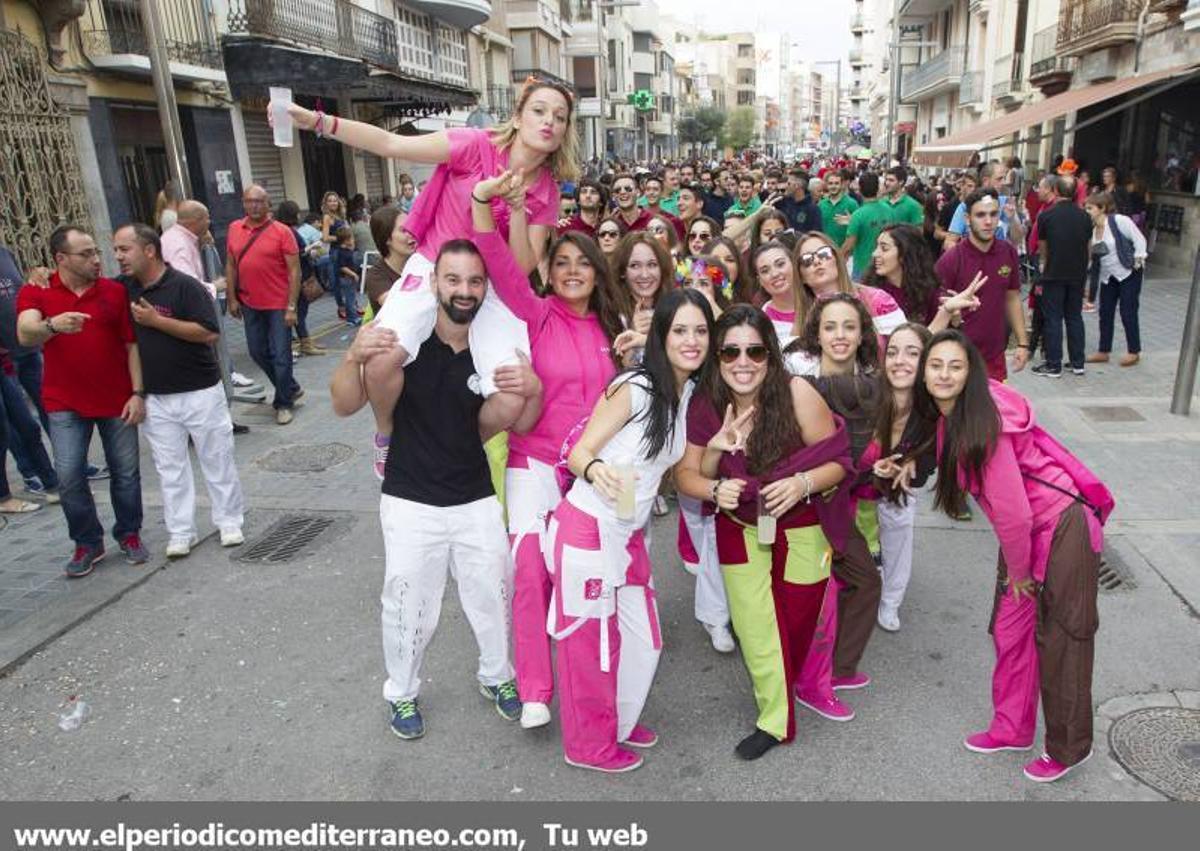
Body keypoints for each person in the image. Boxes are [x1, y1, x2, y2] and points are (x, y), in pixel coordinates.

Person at [283, 77, 574, 476]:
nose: (549, 122)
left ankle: (460, 447)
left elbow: (522, 266)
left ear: (565, 131)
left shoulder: (546, 191)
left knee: (511, 396)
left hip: (489, 286)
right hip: (431, 265)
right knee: (381, 359)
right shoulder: (473, 144)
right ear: (519, 116)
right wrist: (317, 121)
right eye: (539, 111)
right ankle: (387, 435)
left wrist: (518, 209)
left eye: (559, 117)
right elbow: (390, 144)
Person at [328, 239, 543, 740]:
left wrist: (533, 390)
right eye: (453, 279)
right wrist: (351, 356)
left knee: (494, 593)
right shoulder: (404, 346)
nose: (464, 290)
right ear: (433, 283)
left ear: (485, 288)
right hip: (410, 496)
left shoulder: (490, 355)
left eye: (474, 281)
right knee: (408, 602)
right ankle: (401, 691)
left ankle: (498, 675)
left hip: (474, 495)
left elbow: (521, 423)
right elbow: (342, 404)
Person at [888, 329, 1113, 784]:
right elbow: (937, 446)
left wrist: (1020, 571)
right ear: (924, 373)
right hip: (1026, 536)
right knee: (1011, 631)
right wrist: (911, 460)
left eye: (955, 366)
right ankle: (1012, 728)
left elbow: (1014, 513)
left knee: (1063, 641)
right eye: (936, 365)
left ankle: (1069, 749)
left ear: (970, 373)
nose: (944, 374)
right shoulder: (951, 414)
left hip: (1060, 527)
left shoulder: (983, 424)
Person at [470, 170, 625, 731]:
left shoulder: (614, 326)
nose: (573, 271)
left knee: (595, 575)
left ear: (598, 270)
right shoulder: (533, 313)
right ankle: (535, 688)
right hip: (533, 465)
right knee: (531, 571)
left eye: (583, 262)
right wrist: (485, 202)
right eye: (562, 263)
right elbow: (497, 259)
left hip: (593, 472)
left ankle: (600, 675)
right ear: (549, 271)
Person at [676, 305, 851, 760]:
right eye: (730, 351)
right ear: (717, 357)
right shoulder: (706, 403)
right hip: (737, 527)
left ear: (770, 355)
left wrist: (802, 483)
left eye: (754, 351)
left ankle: (793, 683)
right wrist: (715, 478)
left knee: (795, 622)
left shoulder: (798, 393)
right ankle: (774, 720)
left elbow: (839, 462)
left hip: (801, 525)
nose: (743, 362)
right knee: (755, 628)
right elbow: (686, 476)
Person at [550, 288, 711, 772]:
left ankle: (615, 722)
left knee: (643, 639)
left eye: (700, 331)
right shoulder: (635, 387)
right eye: (679, 330)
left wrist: (720, 446)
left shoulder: (684, 392)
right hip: (588, 529)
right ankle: (588, 745)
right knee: (592, 646)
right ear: (661, 335)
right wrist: (597, 470)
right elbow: (579, 453)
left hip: (628, 534)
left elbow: (673, 469)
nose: (692, 340)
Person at [16, 224, 147, 577]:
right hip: (64, 401)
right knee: (69, 475)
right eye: (86, 254)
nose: (96, 259)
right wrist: (52, 326)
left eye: (95, 252)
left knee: (126, 473)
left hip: (117, 398)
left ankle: (129, 533)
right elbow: (25, 333)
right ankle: (88, 542)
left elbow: (131, 345)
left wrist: (138, 394)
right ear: (61, 258)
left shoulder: (113, 291)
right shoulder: (38, 290)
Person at [112, 224, 245, 558]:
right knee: (169, 468)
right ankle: (181, 531)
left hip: (200, 391)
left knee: (217, 459)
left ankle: (229, 521)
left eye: (124, 249)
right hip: (155, 396)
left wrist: (157, 321)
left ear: (149, 250)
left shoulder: (185, 286)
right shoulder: (122, 288)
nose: (118, 257)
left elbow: (208, 332)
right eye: (115, 250)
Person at [224, 184, 303, 425]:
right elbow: (231, 265)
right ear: (243, 203)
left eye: (259, 201)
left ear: (268, 204)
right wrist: (231, 298)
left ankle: (284, 403)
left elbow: (295, 271)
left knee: (281, 354)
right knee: (257, 351)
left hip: (278, 303)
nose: (254, 206)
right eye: (249, 201)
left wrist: (292, 307)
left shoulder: (282, 232)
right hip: (249, 302)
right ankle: (290, 386)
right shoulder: (234, 228)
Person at [935, 190, 1030, 381]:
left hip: (995, 356)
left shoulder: (1008, 252)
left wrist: (1022, 343)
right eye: (980, 215)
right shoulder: (951, 259)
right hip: (958, 358)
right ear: (967, 219)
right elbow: (935, 310)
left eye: (993, 214)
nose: (988, 221)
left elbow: (1012, 298)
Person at [1033, 176, 1091, 378]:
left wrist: (1043, 265)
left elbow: (1043, 246)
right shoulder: (1085, 216)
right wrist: (1085, 268)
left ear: (1056, 190)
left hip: (1054, 272)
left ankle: (1053, 364)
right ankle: (1077, 362)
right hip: (1077, 273)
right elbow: (1088, 246)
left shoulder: (1047, 216)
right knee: (1074, 316)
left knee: (1053, 318)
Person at [1084, 191, 1147, 367]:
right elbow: (1093, 259)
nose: (1086, 211)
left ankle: (1134, 351)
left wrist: (1139, 259)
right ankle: (1103, 351)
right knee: (1105, 313)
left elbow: (1139, 239)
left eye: (1090, 208)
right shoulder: (1093, 230)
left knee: (1128, 311)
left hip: (1129, 272)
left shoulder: (1119, 221)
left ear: (1102, 208)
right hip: (1108, 276)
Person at [275, 200, 326, 357]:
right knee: (300, 311)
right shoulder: (289, 232)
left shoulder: (284, 230)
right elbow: (297, 252)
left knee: (300, 311)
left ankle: (305, 341)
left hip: (299, 274)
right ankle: (304, 343)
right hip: (299, 276)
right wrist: (311, 248)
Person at [864, 224, 941, 325]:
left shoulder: (929, 291)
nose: (875, 253)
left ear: (904, 253)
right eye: (876, 247)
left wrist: (953, 319)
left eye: (884, 248)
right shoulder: (868, 292)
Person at [364, 205, 414, 317]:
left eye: (411, 227)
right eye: (403, 230)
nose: (411, 233)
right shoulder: (376, 275)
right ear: (386, 238)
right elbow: (399, 308)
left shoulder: (420, 264)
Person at [841, 172, 887, 281]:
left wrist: (838, 256)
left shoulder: (858, 215)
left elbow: (849, 244)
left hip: (863, 267)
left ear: (860, 190)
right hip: (885, 264)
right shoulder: (889, 209)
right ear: (877, 188)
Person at [819, 169, 859, 248]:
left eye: (836, 183)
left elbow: (860, 229)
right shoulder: (821, 205)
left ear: (842, 185)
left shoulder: (852, 204)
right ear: (826, 185)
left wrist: (852, 222)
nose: (833, 186)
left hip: (846, 250)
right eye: (830, 183)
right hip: (826, 249)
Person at [330, 226, 362, 326]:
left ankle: (352, 316)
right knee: (350, 299)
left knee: (351, 297)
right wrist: (353, 274)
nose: (353, 240)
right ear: (346, 240)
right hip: (346, 278)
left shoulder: (346, 250)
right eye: (352, 238)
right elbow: (342, 267)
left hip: (348, 278)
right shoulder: (342, 253)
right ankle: (352, 318)